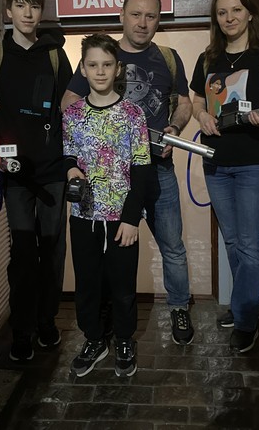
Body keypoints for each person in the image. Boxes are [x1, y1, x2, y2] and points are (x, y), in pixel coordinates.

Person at [61, 0, 195, 345]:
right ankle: (108, 320)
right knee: (110, 251)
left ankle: (179, 307)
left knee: (172, 246)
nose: (142, 23)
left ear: (158, 20)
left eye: (151, 16)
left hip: (159, 171)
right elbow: (70, 103)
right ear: (122, 15)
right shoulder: (102, 53)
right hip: (114, 179)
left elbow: (184, 103)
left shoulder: (168, 58)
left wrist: (173, 128)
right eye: (136, 14)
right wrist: (107, 142)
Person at [0, 0, 73, 361]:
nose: (28, 13)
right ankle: (22, 329)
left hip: (53, 172)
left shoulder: (55, 56)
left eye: (34, 6)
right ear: (8, 10)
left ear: (40, 11)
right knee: (22, 254)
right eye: (20, 5)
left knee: (53, 251)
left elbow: (69, 114)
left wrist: (72, 163)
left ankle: (47, 322)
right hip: (15, 175)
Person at [190, 0, 259, 353]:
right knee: (232, 241)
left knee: (249, 244)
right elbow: (196, 100)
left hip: (255, 165)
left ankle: (247, 318)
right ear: (216, 19)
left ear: (249, 13)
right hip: (216, 163)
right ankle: (244, 304)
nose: (229, 17)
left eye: (235, 10)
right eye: (222, 12)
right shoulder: (208, 59)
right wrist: (201, 115)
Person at [62, 33, 151, 377]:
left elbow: (142, 169)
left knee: (122, 284)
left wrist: (131, 218)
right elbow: (68, 154)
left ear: (118, 69)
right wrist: (71, 168)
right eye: (93, 65)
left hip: (121, 218)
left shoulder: (133, 114)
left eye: (107, 64)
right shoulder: (73, 114)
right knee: (88, 283)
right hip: (83, 216)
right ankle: (94, 339)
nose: (100, 71)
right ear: (83, 69)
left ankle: (125, 340)